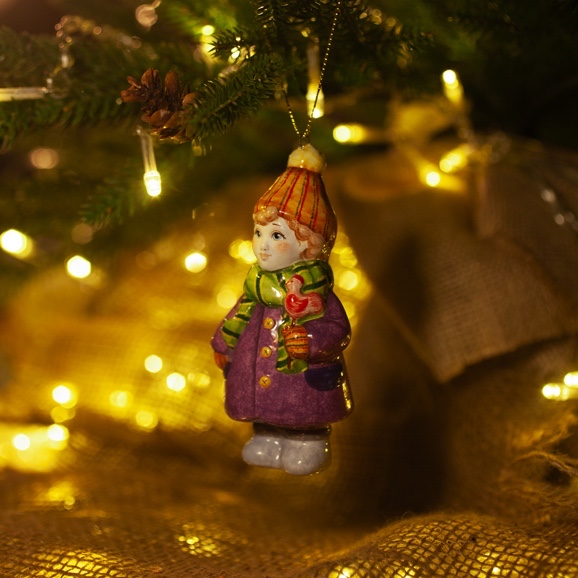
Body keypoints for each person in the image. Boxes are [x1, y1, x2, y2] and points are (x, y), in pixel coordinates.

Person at [211, 144, 353, 475]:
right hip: (256, 373)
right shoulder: (255, 288)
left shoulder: (316, 293)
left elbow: (338, 329)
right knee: (263, 405)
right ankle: (267, 436)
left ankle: (309, 441)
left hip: (303, 377)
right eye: (259, 232)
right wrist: (222, 343)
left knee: (301, 407)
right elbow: (235, 317)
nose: (262, 244)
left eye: (276, 235)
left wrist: (311, 343)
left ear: (308, 244)